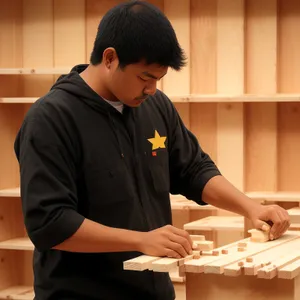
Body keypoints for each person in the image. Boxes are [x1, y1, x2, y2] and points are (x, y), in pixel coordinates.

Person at [14, 1, 290, 299]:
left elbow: (193, 169)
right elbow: (49, 224)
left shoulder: (155, 106)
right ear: (109, 58)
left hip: (152, 291)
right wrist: (141, 240)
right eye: (145, 77)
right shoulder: (51, 119)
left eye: (158, 79)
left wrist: (251, 208)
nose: (152, 89)